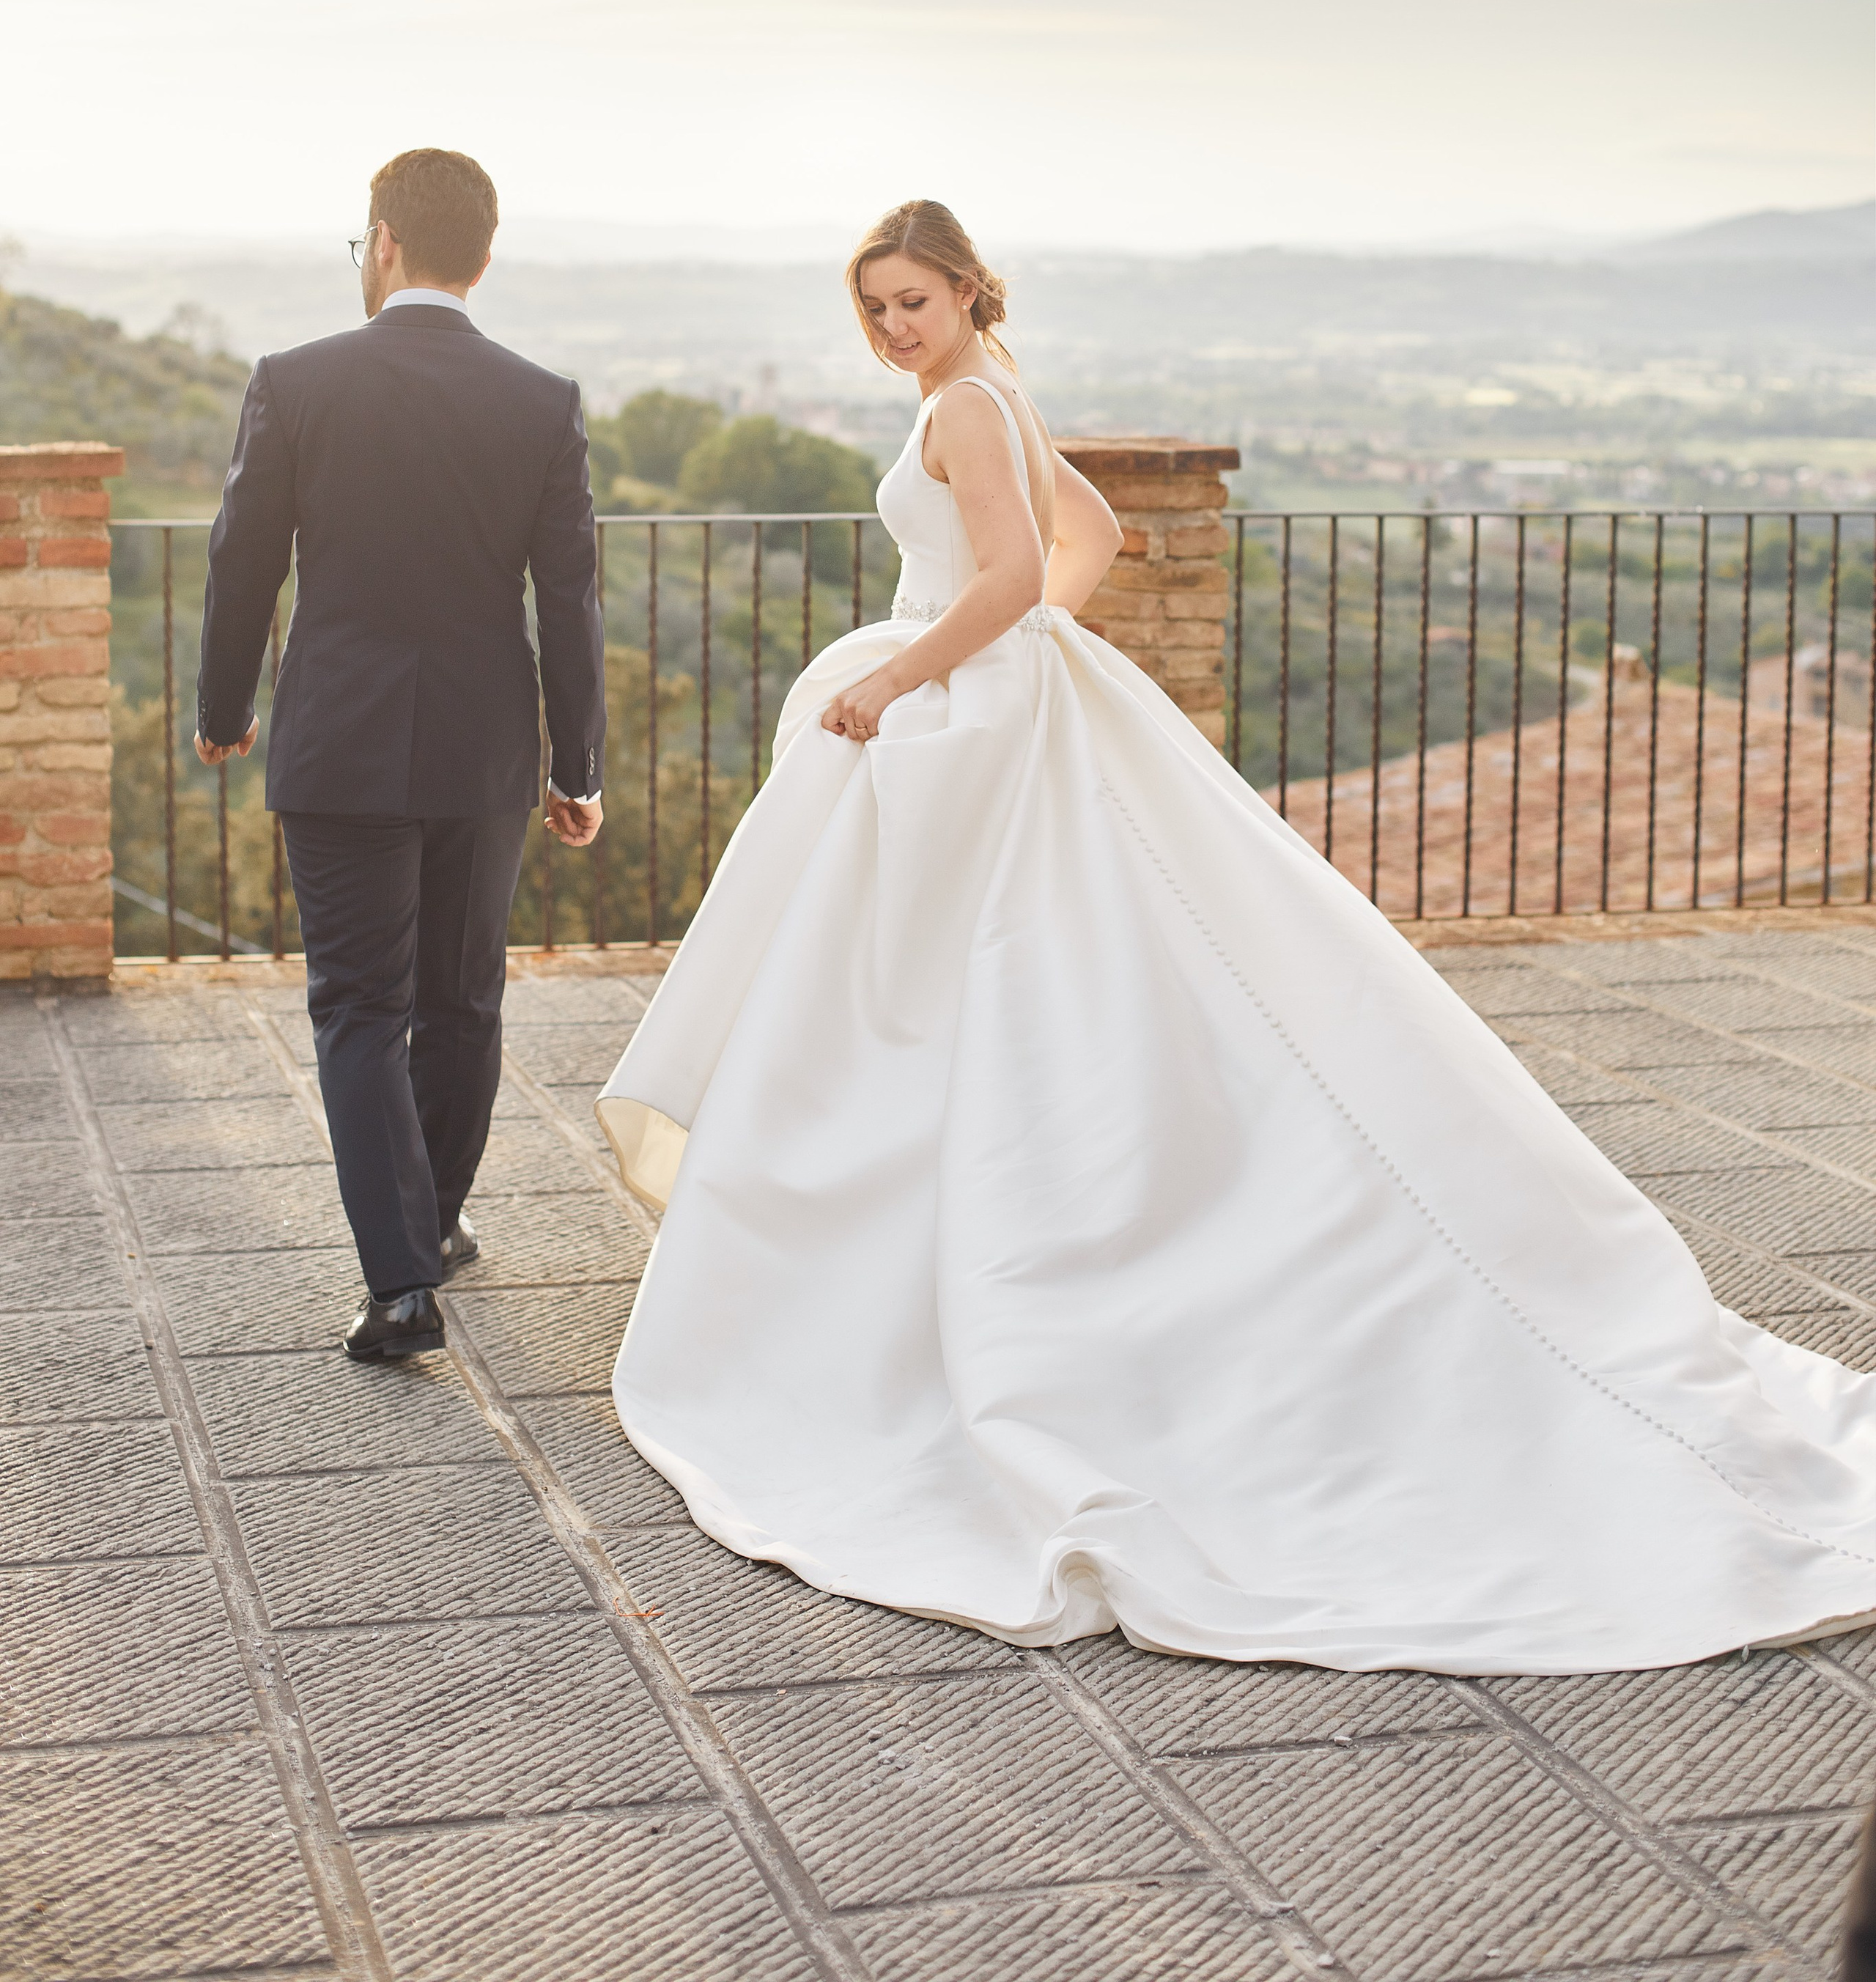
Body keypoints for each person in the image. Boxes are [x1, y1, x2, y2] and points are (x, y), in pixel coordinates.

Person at [596, 196, 1876, 1672]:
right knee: (1023, 978)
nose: (891, 330)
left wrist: (908, 678)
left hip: (961, 705)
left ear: (963, 292)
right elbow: (1099, 534)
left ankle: (886, 1269)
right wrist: (1020, 648)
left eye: (909, 302)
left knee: (928, 992)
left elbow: (1018, 573)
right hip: (1013, 700)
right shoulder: (999, 389)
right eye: (872, 307)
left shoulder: (958, 410)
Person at [196, 148, 605, 1361]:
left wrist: (224, 706)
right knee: (463, 999)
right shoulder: (543, 400)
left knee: (360, 1008)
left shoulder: (296, 382)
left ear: (382, 242)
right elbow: (569, 599)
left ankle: (400, 1283)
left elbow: (241, 560)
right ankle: (434, 1229)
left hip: (340, 744)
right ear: (481, 256)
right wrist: (574, 764)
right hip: (485, 746)